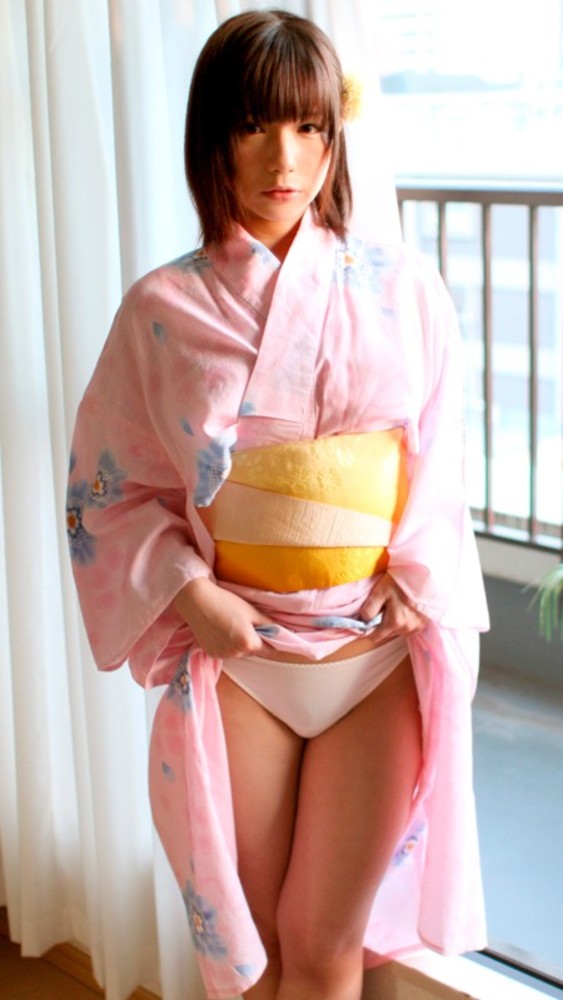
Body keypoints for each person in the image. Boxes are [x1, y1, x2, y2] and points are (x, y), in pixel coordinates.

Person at [67, 9, 489, 1000]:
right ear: (213, 138)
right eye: (253, 125)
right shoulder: (161, 310)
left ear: (335, 137)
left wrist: (416, 575)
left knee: (323, 937)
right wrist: (192, 595)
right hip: (244, 657)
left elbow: (436, 458)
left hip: (372, 656)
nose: (282, 157)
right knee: (254, 946)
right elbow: (110, 486)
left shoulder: (404, 287)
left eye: (307, 126)